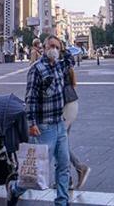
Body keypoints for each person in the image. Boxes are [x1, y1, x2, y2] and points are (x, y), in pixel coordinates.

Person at [7, 37, 71, 206]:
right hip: (44, 127)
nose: (54, 49)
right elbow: (31, 99)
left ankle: (62, 202)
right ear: (44, 47)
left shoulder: (58, 65)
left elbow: (70, 61)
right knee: (36, 170)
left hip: (60, 123)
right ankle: (15, 190)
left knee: (63, 165)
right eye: (52, 46)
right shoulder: (36, 69)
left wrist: (65, 50)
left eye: (57, 47)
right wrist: (32, 123)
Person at [60, 41, 91, 190]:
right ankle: (67, 179)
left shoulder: (61, 65)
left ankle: (78, 168)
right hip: (70, 104)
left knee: (58, 143)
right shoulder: (66, 62)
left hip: (66, 105)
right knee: (61, 142)